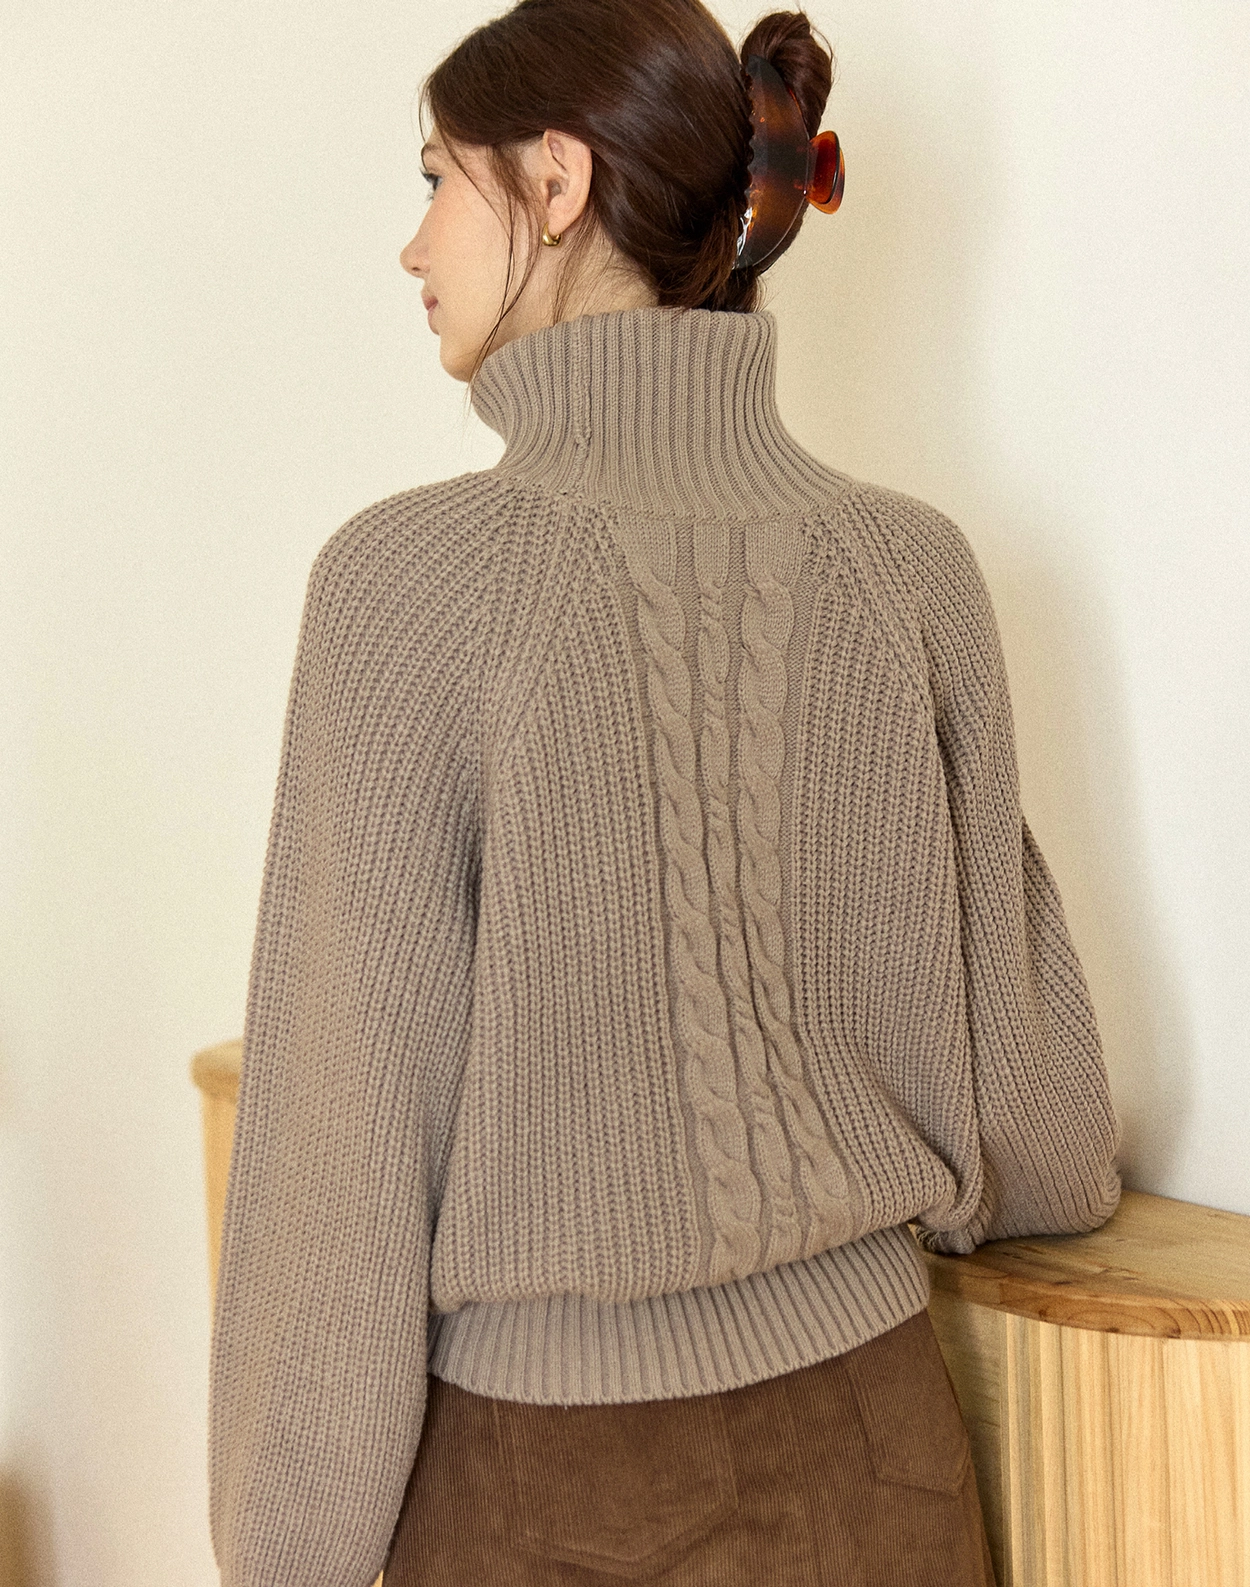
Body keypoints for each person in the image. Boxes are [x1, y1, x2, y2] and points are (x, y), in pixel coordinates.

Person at [206, 3, 1123, 1584]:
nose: (413, 245)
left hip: (540, 1489)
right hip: (880, 1454)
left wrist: (285, 1552)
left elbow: (337, 1173)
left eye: (435, 180)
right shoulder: (910, 570)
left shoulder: (406, 587)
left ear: (555, 182)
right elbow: (1041, 1142)